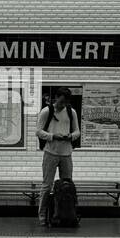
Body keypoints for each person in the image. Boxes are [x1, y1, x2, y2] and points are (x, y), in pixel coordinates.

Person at [36, 88, 81, 224]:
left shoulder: (71, 111)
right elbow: (38, 132)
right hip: (50, 152)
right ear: (56, 98)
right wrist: (53, 136)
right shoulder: (46, 111)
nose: (63, 105)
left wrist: (70, 136)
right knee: (47, 186)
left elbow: (77, 131)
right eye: (61, 102)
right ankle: (42, 217)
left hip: (66, 153)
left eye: (66, 102)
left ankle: (66, 215)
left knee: (67, 186)